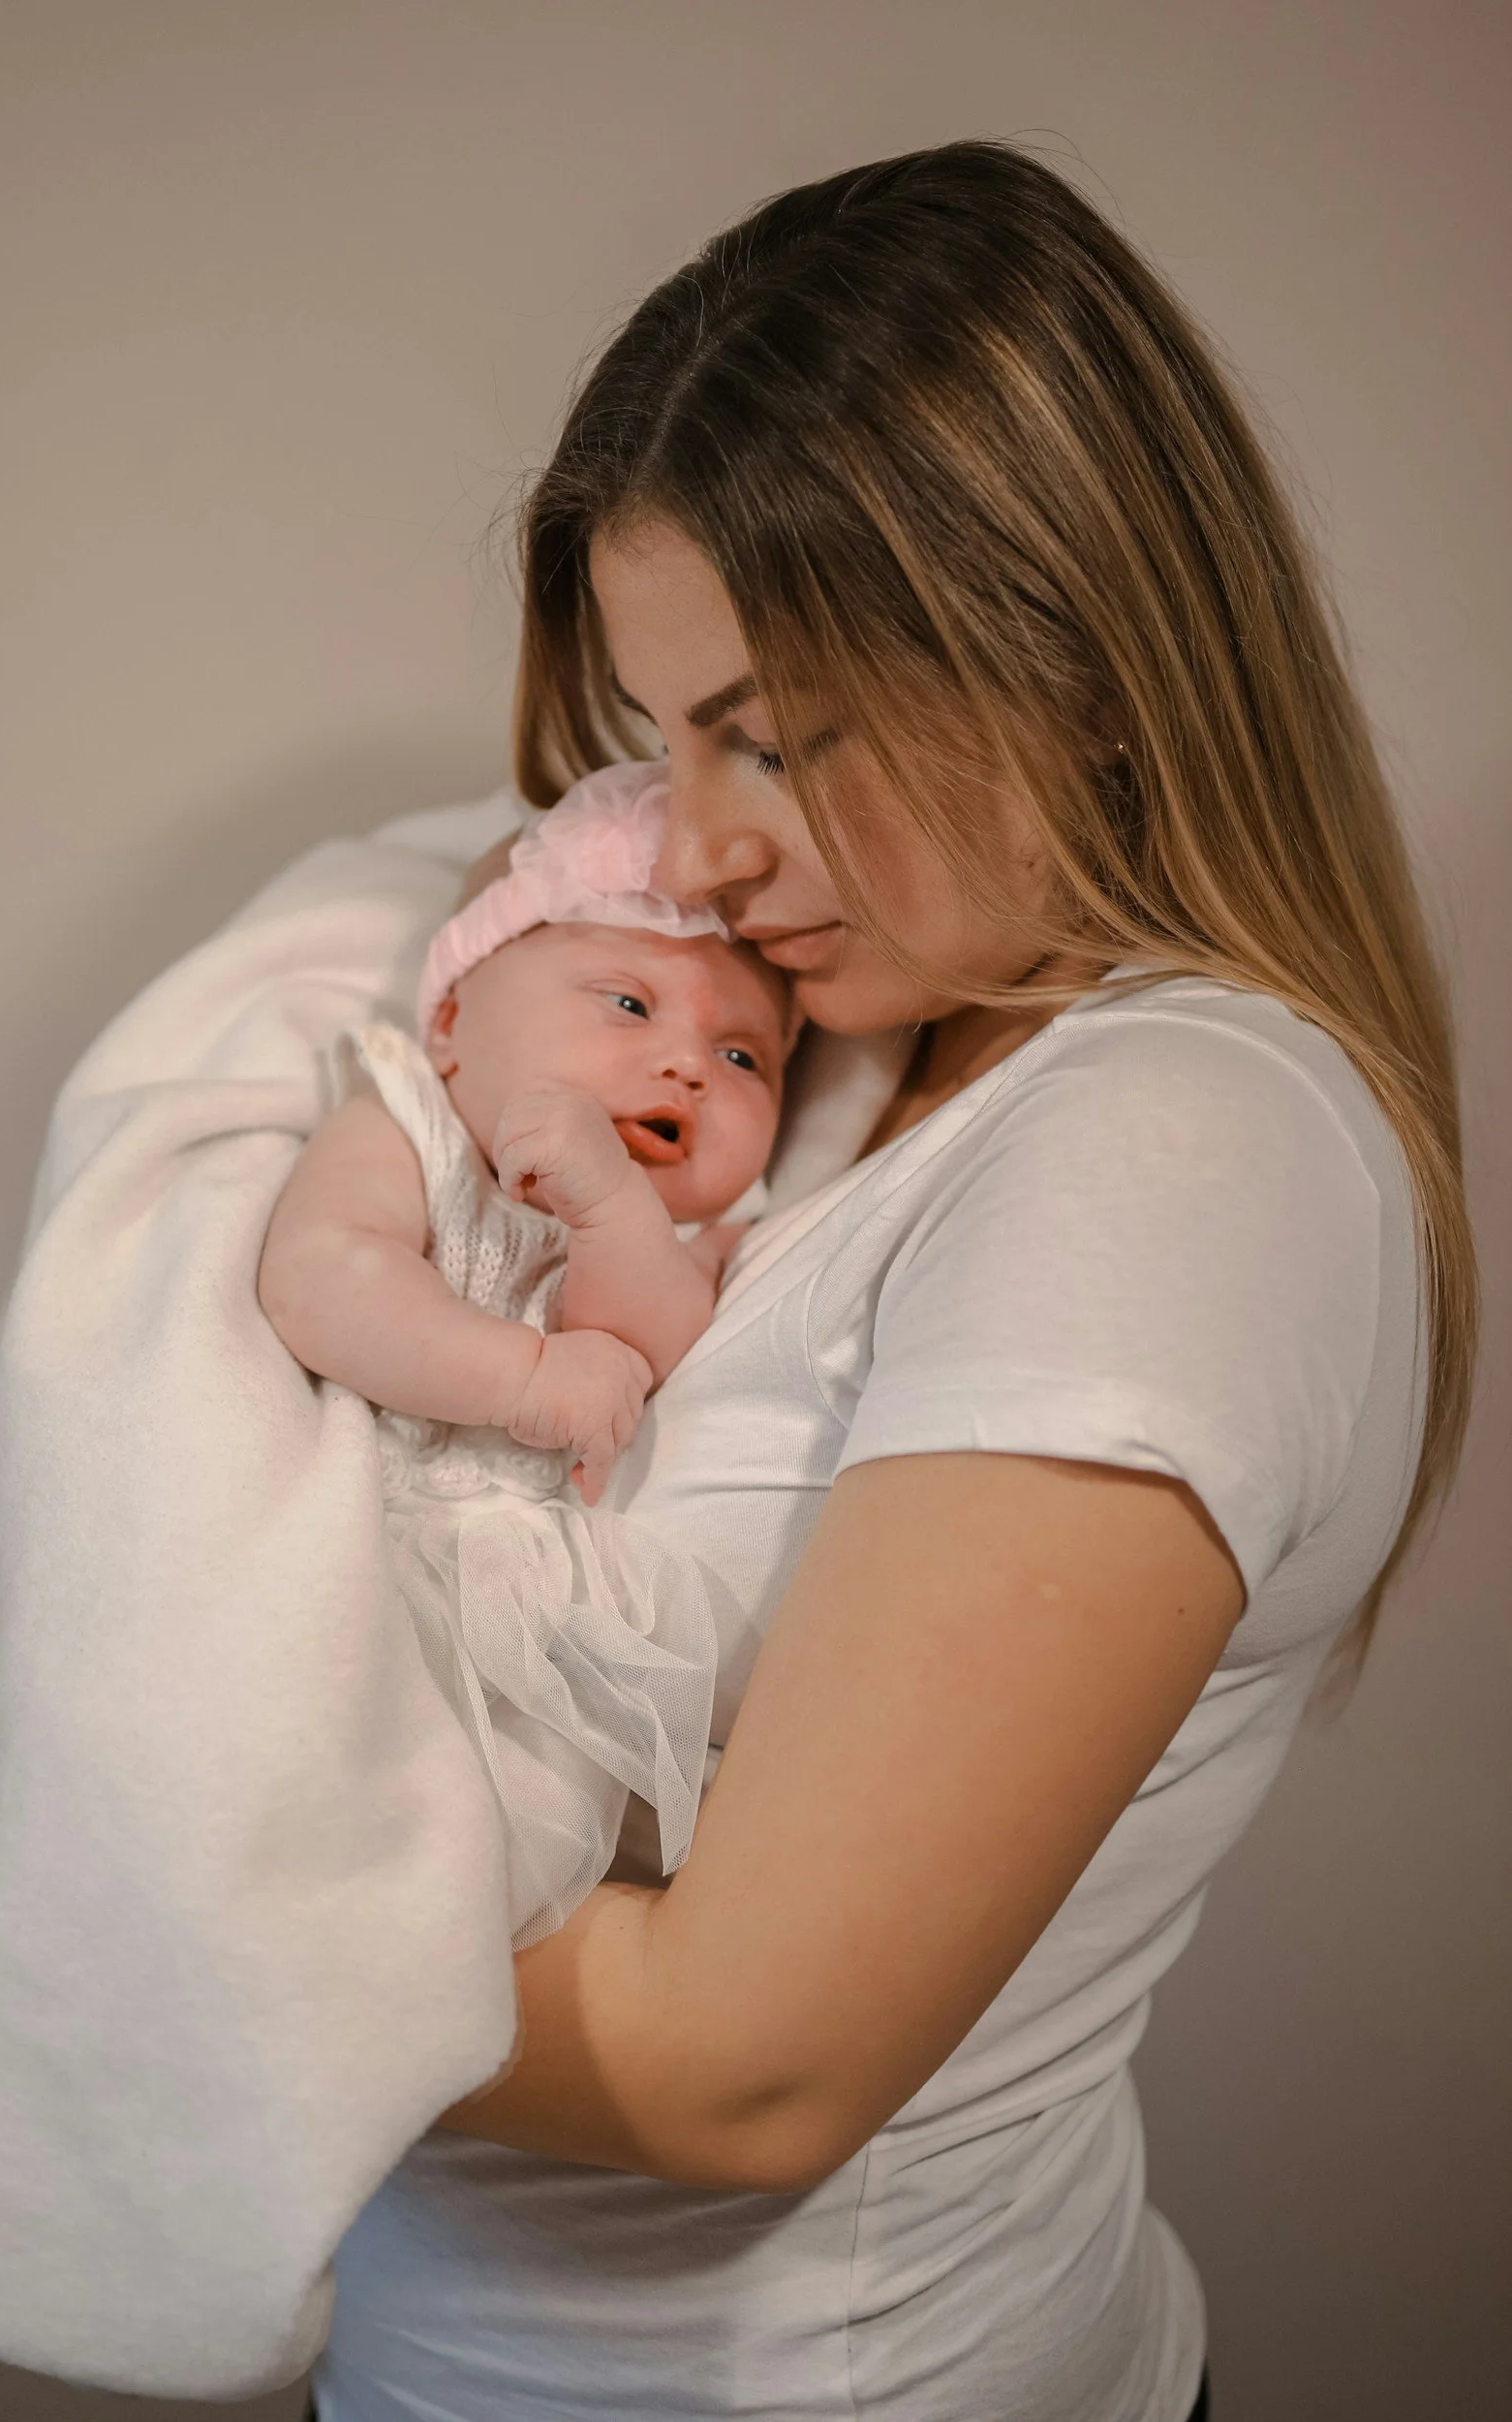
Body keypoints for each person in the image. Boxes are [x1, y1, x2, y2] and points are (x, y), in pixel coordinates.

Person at [308, 141, 1476, 2422]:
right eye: (668, 739)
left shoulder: (1176, 1146)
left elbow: (747, 2066)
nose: (702, 845)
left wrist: (128, 1902)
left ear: (1088, 656)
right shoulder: (842, 1055)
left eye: (775, 727)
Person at [259, 760, 795, 1945]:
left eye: (745, 1057)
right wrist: (520, 1375)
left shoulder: (700, 1238)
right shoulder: (408, 1124)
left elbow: (650, 1347)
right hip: (360, 1561)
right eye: (625, 1002)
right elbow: (321, 1279)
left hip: (541, 1621)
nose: (687, 1064)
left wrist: (615, 1215)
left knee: (487, 1892)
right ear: (449, 1022)